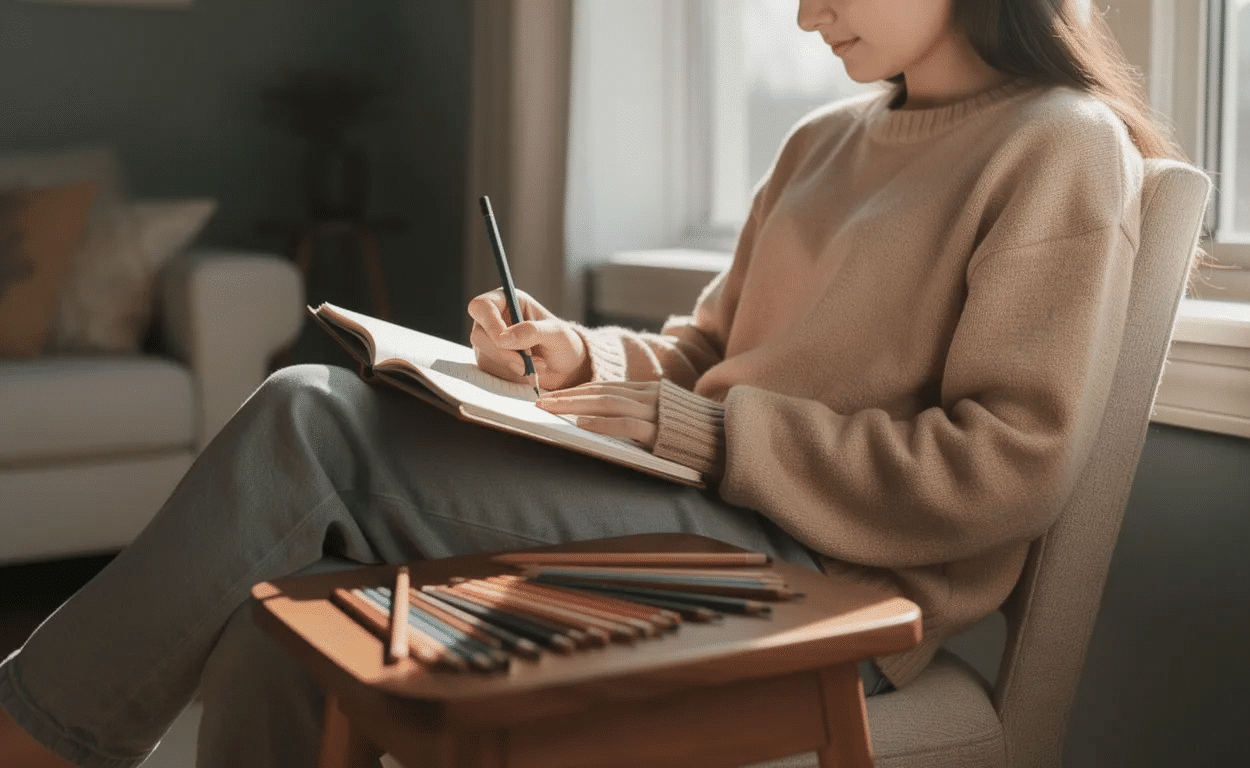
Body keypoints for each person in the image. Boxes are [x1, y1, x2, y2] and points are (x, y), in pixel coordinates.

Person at [0, 0, 1189, 766]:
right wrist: (585, 356)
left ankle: (34, 735)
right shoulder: (821, 142)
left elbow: (1006, 471)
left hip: (833, 582)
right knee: (294, 606)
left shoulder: (1057, 143)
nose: (801, 10)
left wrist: (713, 436)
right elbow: (705, 353)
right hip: (707, 516)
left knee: (308, 418)